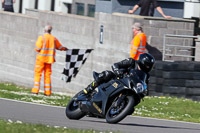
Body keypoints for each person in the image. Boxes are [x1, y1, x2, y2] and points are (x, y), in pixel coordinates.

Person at [83, 53, 155, 95]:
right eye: (148, 65)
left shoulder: (146, 75)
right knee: (107, 74)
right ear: (143, 63)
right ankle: (89, 88)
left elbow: (145, 86)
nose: (149, 67)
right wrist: (117, 71)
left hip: (129, 87)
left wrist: (144, 91)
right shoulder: (132, 62)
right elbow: (116, 65)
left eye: (150, 66)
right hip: (118, 79)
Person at [31, 25, 68, 96]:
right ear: (50, 31)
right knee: (47, 75)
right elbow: (60, 47)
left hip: (41, 59)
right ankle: (47, 93)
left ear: (44, 30)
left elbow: (37, 48)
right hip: (49, 60)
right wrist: (65, 49)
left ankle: (35, 91)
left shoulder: (41, 38)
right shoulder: (53, 39)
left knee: (38, 74)